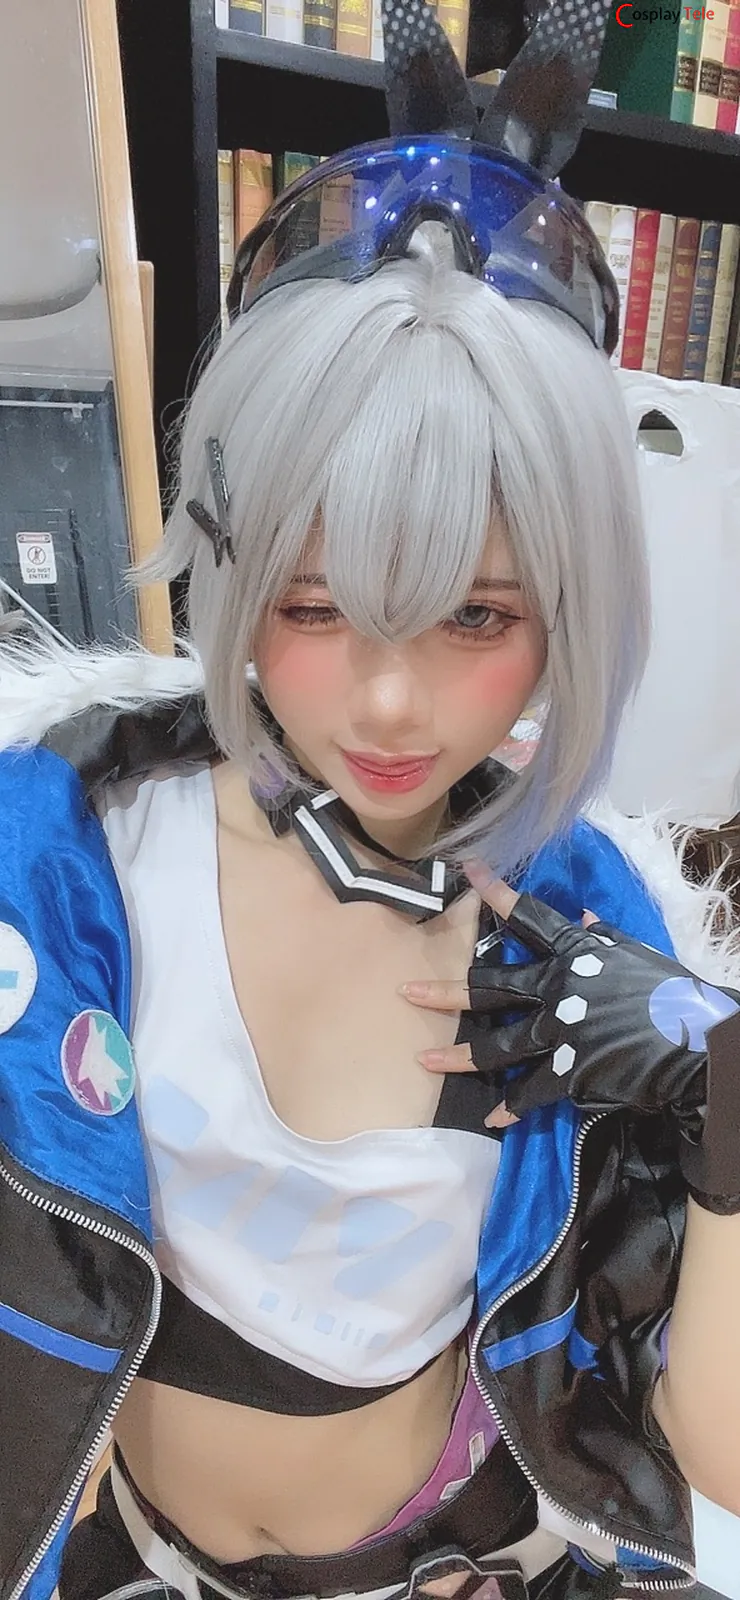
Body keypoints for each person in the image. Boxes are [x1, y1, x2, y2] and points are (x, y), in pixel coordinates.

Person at [1, 1, 740, 1597]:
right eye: (317, 607)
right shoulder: (63, 859)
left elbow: (723, 1460)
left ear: (568, 608)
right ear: (226, 556)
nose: (391, 705)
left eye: (477, 615)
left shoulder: (587, 936)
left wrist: (725, 1095)